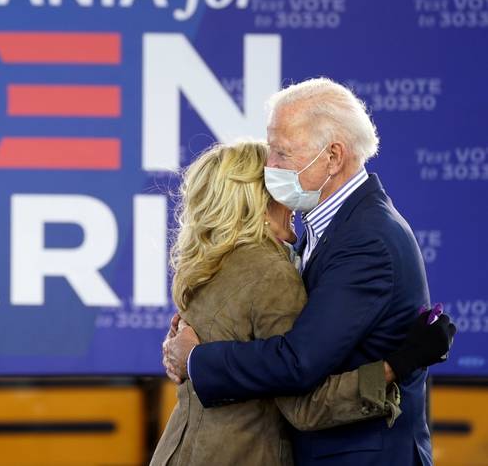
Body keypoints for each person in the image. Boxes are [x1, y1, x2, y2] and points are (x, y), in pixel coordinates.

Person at [161, 78, 455, 465]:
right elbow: (298, 380)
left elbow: (297, 364)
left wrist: (197, 359)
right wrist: (395, 366)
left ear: (333, 157)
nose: (270, 169)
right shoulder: (303, 241)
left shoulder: (366, 238)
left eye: (282, 154)